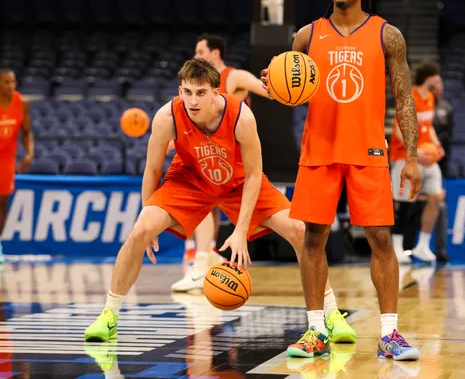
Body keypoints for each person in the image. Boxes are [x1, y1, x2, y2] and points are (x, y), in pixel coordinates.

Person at [84, 59, 355, 344]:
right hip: (189, 180)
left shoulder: (241, 116)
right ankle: (109, 315)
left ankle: (332, 314)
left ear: (217, 91)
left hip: (239, 182)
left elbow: (253, 175)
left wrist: (240, 231)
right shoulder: (167, 116)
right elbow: (152, 170)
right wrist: (147, 220)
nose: (192, 100)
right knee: (139, 231)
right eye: (187, 92)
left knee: (300, 231)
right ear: (180, 91)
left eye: (200, 92)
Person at [263, 0, 422, 361]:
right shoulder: (307, 35)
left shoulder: (388, 35)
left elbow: (404, 98)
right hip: (319, 151)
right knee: (313, 240)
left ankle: (389, 333)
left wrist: (413, 157)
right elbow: (288, 85)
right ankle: (316, 329)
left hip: (368, 151)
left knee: (380, 239)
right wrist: (275, 84)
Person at [171, 34, 275, 292]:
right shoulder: (195, 90)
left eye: (200, 50)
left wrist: (277, 81)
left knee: (206, 201)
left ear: (214, 53)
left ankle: (203, 260)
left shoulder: (234, 76)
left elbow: (267, 91)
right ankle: (207, 257)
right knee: (206, 205)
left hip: (235, 156)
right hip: (208, 153)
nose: (195, 55)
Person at [389, 61, 445, 264]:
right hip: (406, 158)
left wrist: (437, 145)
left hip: (427, 158)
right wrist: (416, 152)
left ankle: (422, 245)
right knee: (404, 204)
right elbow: (398, 132)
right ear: (429, 77)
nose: (439, 80)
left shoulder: (430, 98)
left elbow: (427, 126)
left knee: (436, 197)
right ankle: (396, 247)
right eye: (436, 76)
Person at [0, 70, 33, 262]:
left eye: (13, 81)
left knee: (2, 203)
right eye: (5, 82)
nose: (10, 85)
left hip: (6, 159)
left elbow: (26, 132)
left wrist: (29, 153)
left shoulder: (21, 103)